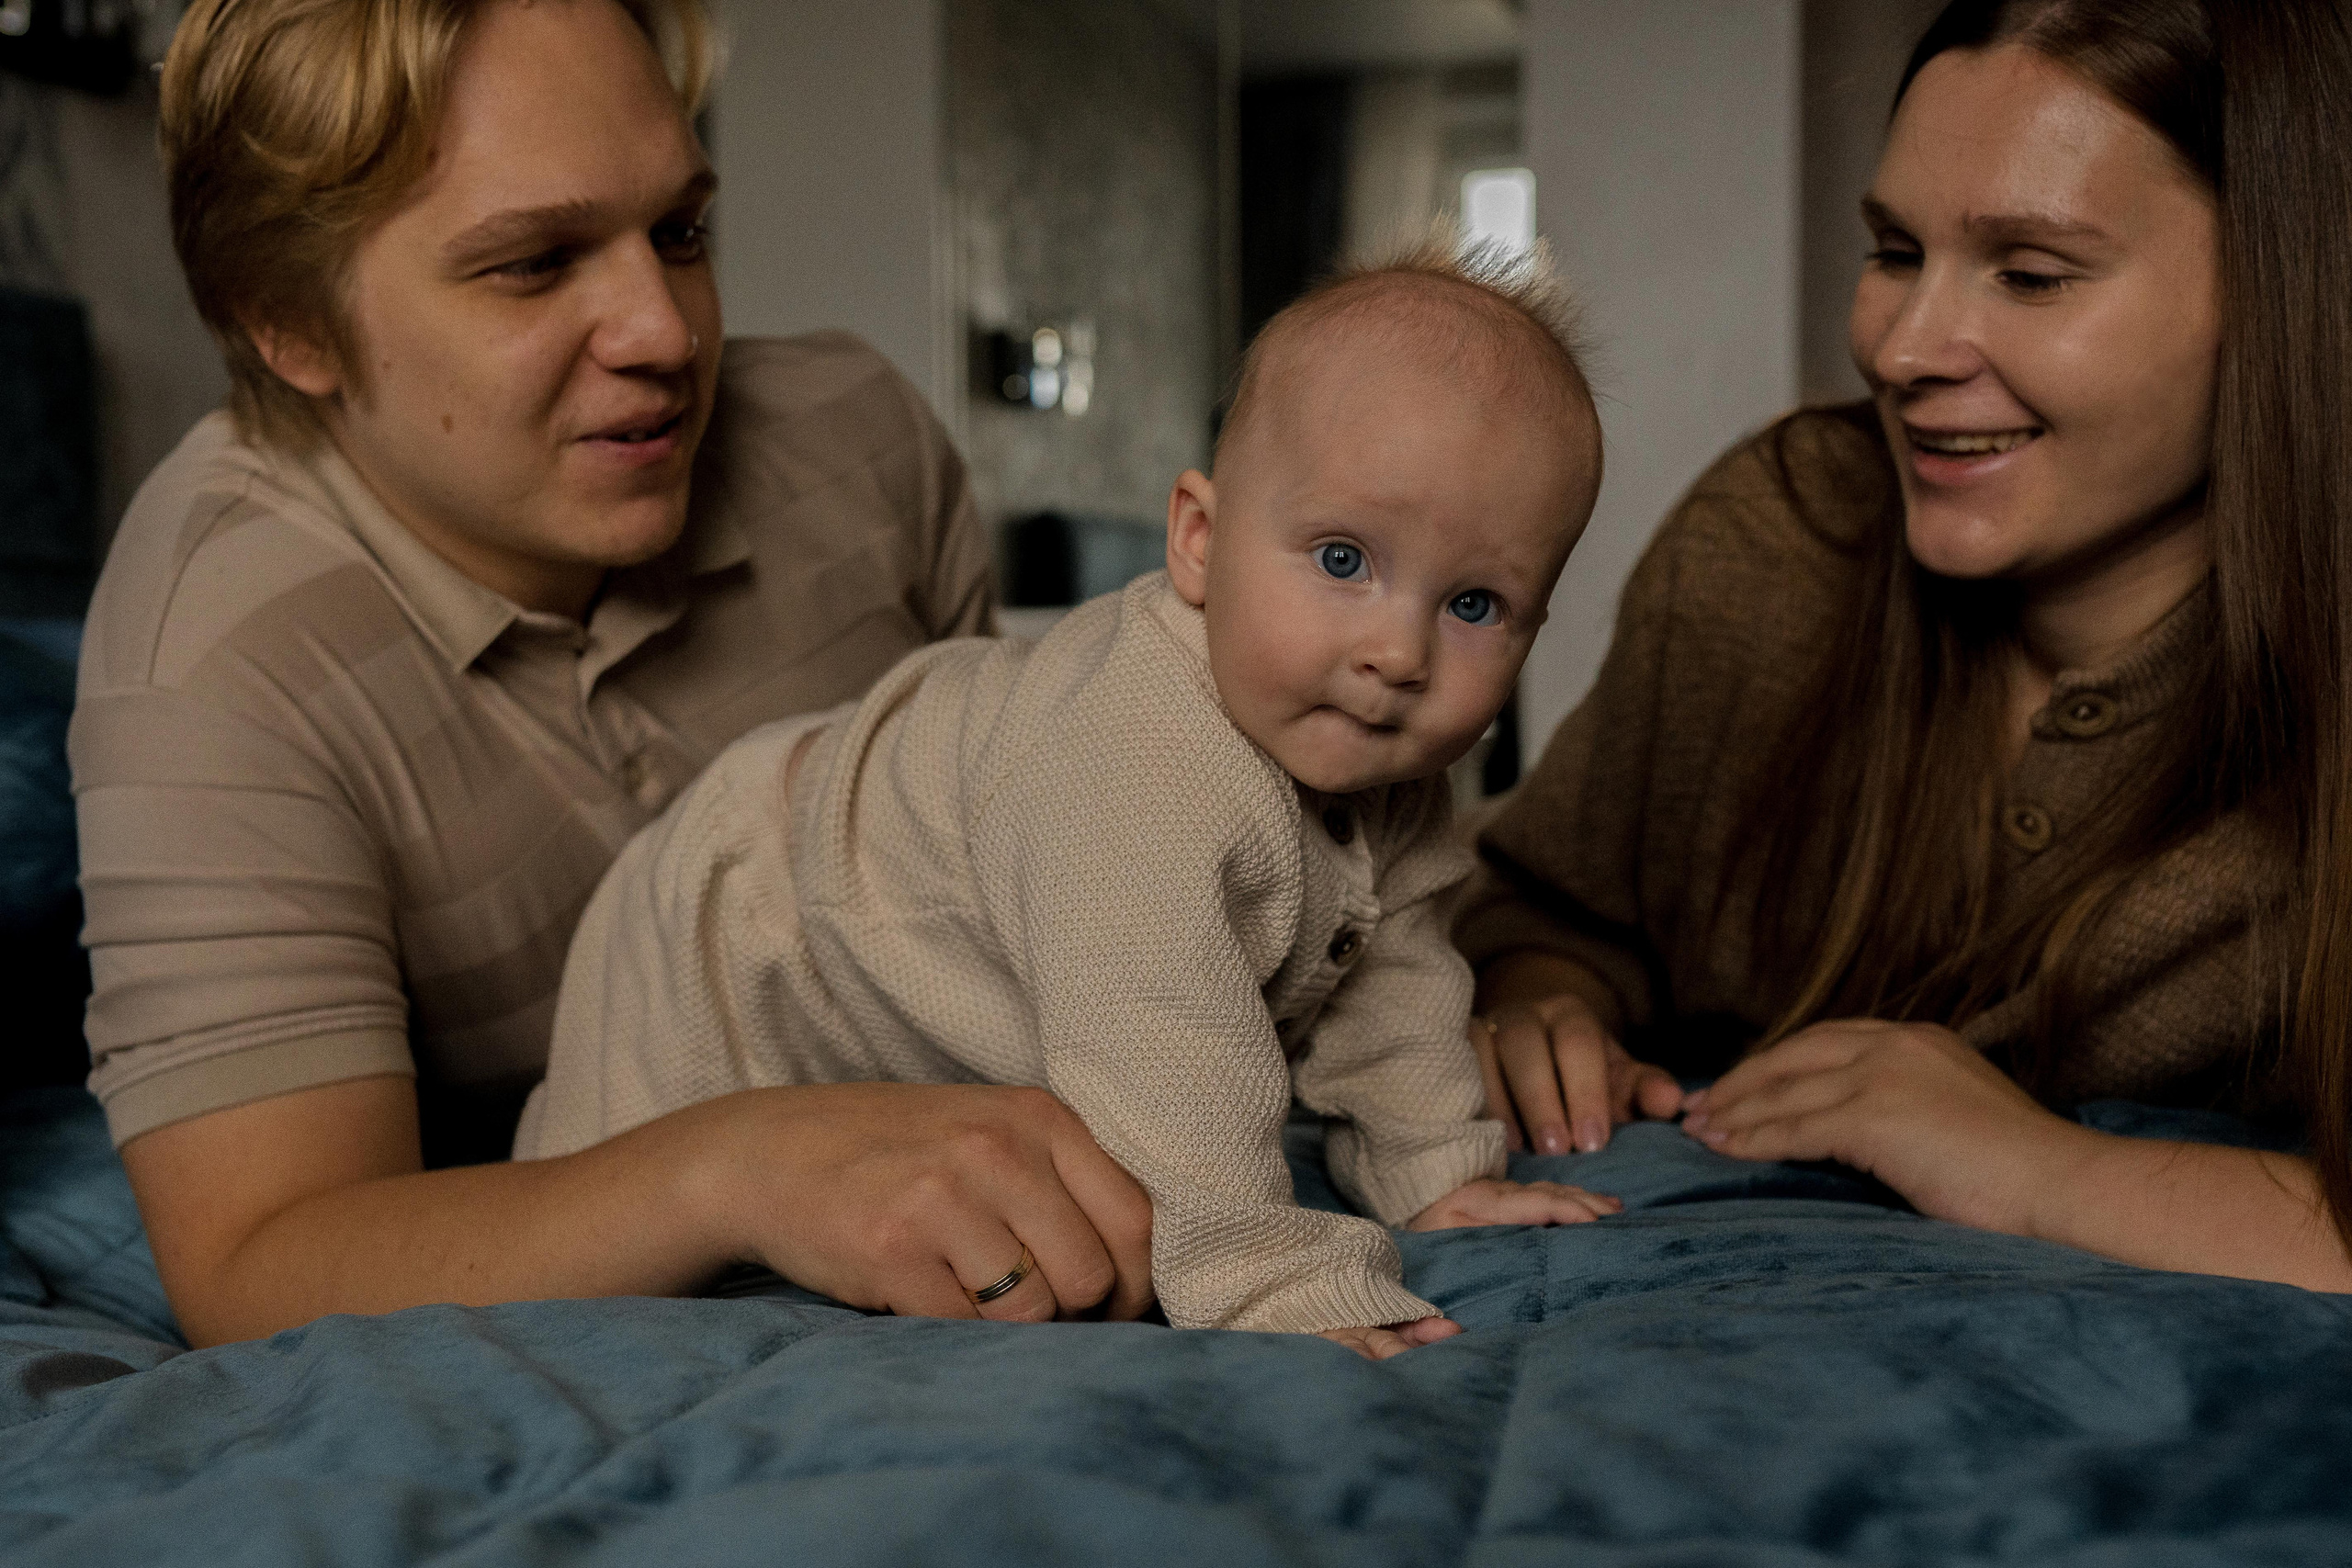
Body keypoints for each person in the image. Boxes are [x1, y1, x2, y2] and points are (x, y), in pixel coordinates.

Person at [69, 0, 1154, 1349]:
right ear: (292, 323)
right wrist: (743, 1165)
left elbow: (1036, 877)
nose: (665, 330)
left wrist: (1486, 958)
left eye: (681, 231)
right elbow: (257, 1257)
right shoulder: (213, 654)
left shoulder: (862, 442)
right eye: (533, 263)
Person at [519, 246, 1618, 1360]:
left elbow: (1397, 975)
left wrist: (1433, 1171)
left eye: (1475, 603)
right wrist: (1264, 1276)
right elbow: (1163, 1032)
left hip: (927, 957)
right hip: (744, 913)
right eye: (1343, 558)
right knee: (586, 1248)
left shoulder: (1388, 767)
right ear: (1199, 540)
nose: (1397, 651)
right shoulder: (1138, 761)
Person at [1460, 0, 2352, 1292]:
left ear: (2288, 290)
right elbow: (1550, 905)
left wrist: (2037, 1165)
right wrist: (1541, 995)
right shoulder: (1780, 534)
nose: (1902, 347)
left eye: (2033, 273)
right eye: (1893, 250)